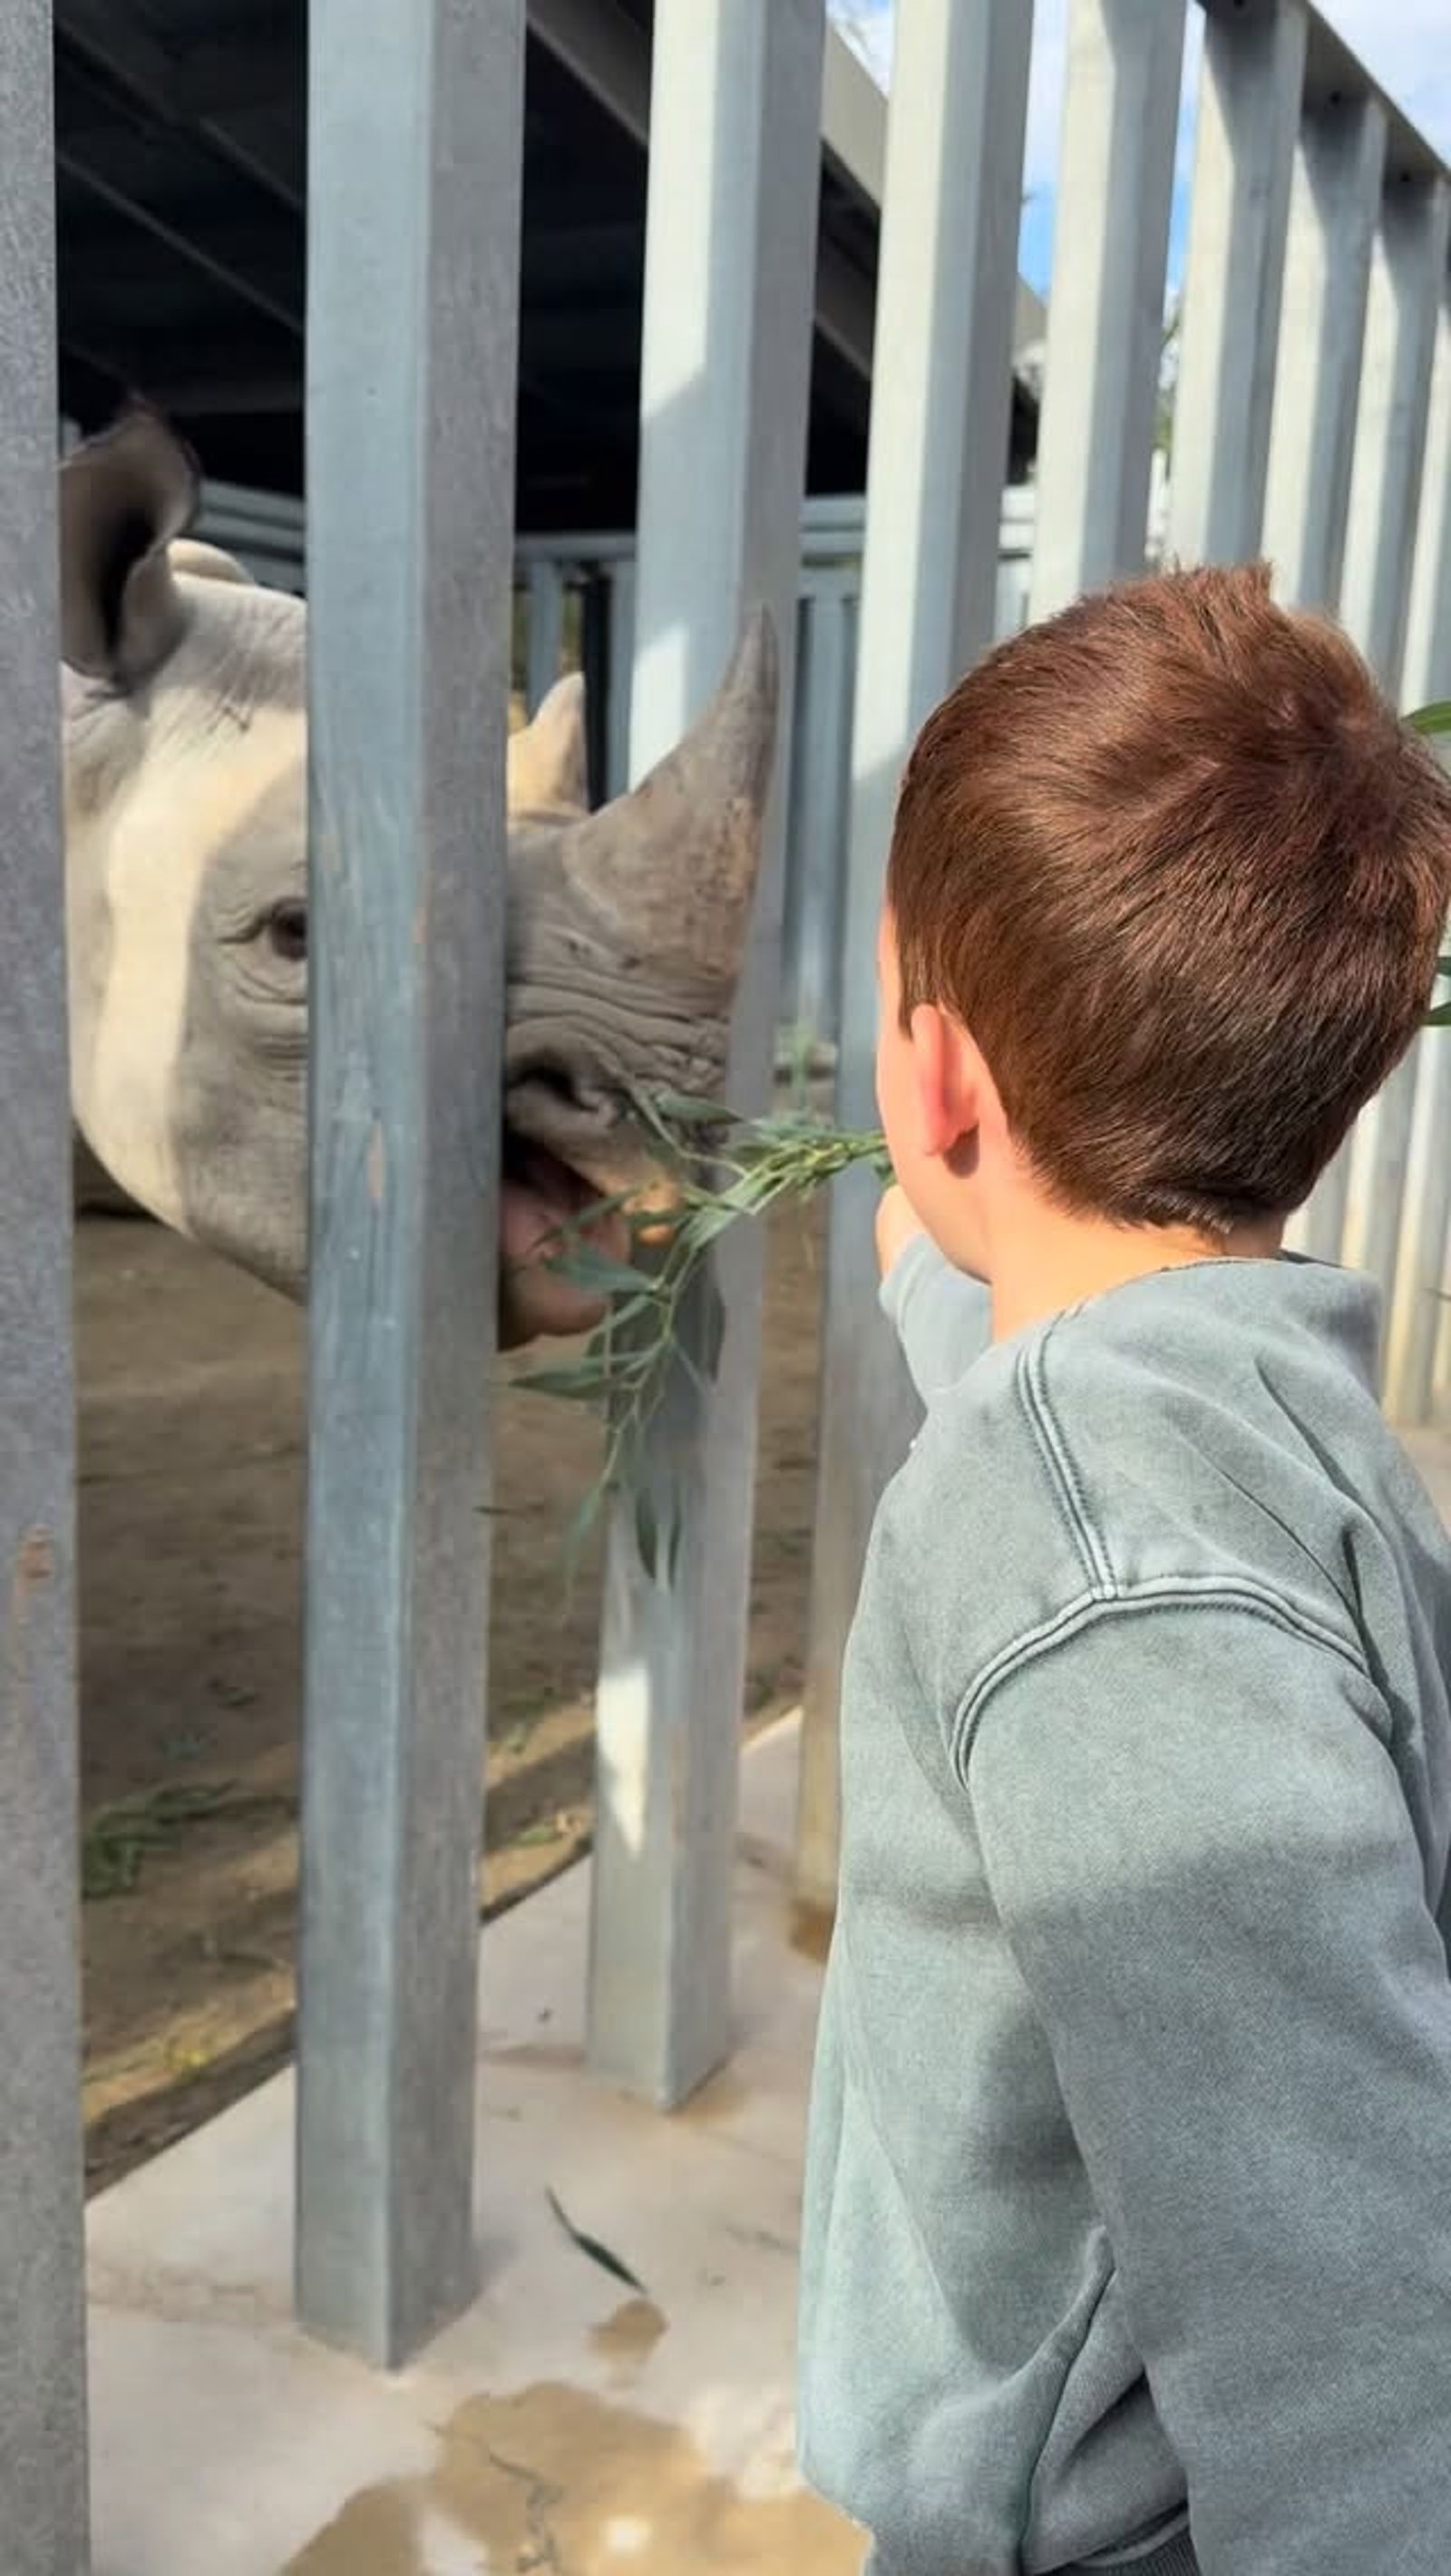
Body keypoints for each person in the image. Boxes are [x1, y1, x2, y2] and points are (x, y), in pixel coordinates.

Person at [796, 561, 1451, 2576]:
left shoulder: (1110, 1615)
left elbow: (1352, 2350)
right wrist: (944, 1277)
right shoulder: (1237, 1413)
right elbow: (1088, 1430)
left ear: (934, 1085)